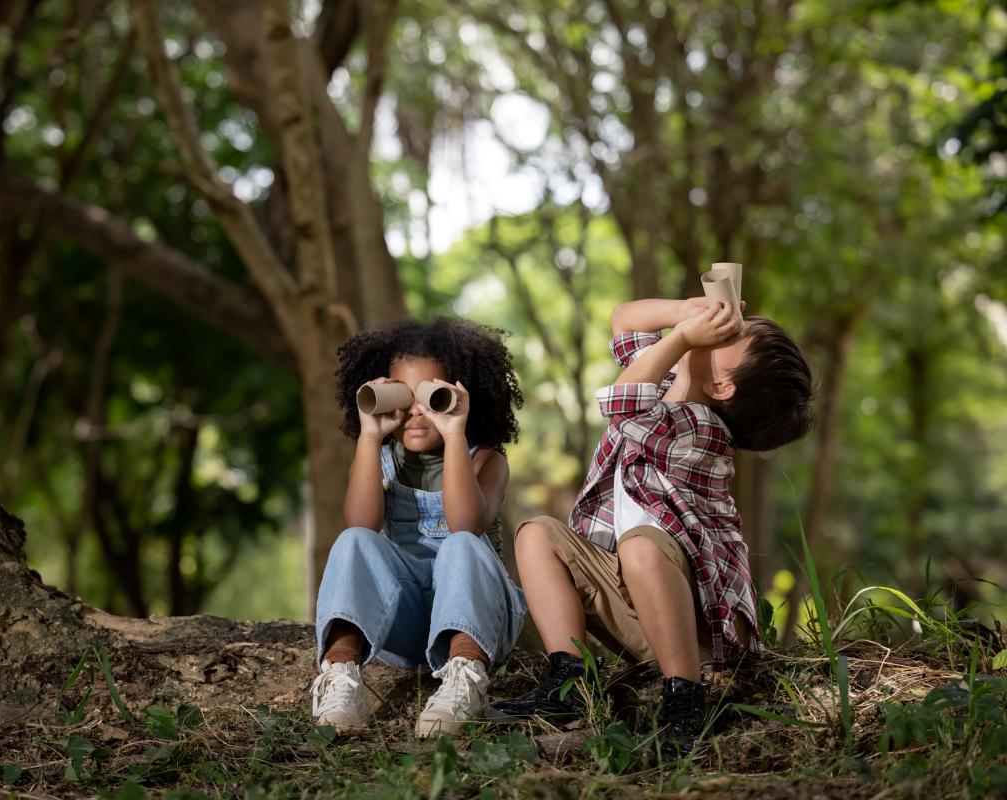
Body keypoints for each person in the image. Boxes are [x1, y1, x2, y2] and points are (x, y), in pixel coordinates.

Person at [488, 297, 814, 758]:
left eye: (729, 337)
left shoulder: (700, 429)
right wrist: (683, 311)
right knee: (537, 533)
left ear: (721, 386)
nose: (715, 329)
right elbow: (623, 320)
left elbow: (623, 405)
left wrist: (682, 337)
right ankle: (569, 678)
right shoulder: (664, 383)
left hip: (698, 632)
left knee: (640, 545)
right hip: (642, 610)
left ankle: (684, 698)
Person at [311, 318, 526, 738]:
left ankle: (465, 674)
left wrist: (455, 432)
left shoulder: (485, 460)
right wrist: (369, 437)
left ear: (460, 396)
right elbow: (361, 526)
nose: (414, 410)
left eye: (431, 395)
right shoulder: (381, 457)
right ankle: (340, 675)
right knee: (352, 540)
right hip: (407, 622)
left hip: (476, 618)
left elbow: (467, 523)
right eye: (402, 394)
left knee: (461, 544)